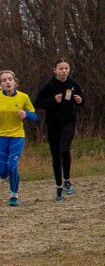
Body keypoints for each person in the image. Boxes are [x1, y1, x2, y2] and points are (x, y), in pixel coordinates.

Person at [33, 59, 84, 201]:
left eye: (66, 68)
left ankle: (67, 180)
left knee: (64, 149)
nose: (64, 71)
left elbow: (81, 100)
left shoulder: (72, 83)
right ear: (55, 70)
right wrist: (52, 100)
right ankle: (59, 187)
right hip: (53, 123)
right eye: (61, 68)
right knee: (56, 155)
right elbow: (38, 103)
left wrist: (79, 101)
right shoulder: (49, 85)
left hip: (69, 121)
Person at [0, 69, 36, 206]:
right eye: (4, 80)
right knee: (2, 173)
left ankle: (14, 196)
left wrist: (26, 114)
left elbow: (34, 116)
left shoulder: (23, 97)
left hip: (17, 136)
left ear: (15, 82)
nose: (7, 82)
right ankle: (7, 175)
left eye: (10, 79)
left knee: (12, 166)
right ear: (0, 83)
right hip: (0, 136)